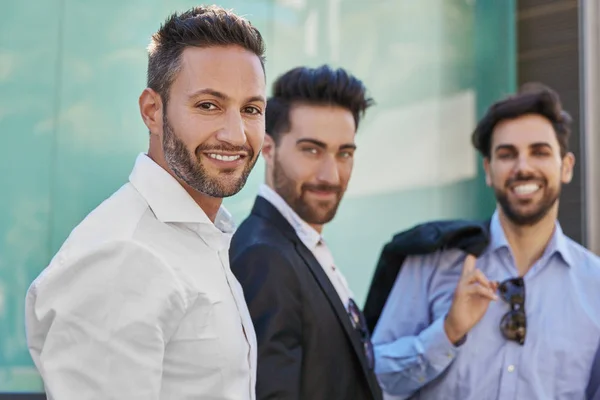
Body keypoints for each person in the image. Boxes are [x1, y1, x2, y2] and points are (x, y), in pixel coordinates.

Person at [25, 6, 266, 400]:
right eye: (209, 105)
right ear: (152, 111)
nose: (235, 134)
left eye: (251, 109)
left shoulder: (206, 234)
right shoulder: (123, 256)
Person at [372, 83, 600, 400]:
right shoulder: (431, 262)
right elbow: (371, 382)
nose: (523, 167)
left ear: (566, 167)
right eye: (507, 155)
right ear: (488, 170)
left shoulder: (595, 287)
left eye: (540, 152)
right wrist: (447, 332)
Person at [229, 65, 382, 400]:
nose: (330, 175)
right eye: (311, 150)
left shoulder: (298, 243)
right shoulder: (264, 257)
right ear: (268, 149)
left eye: (344, 153)